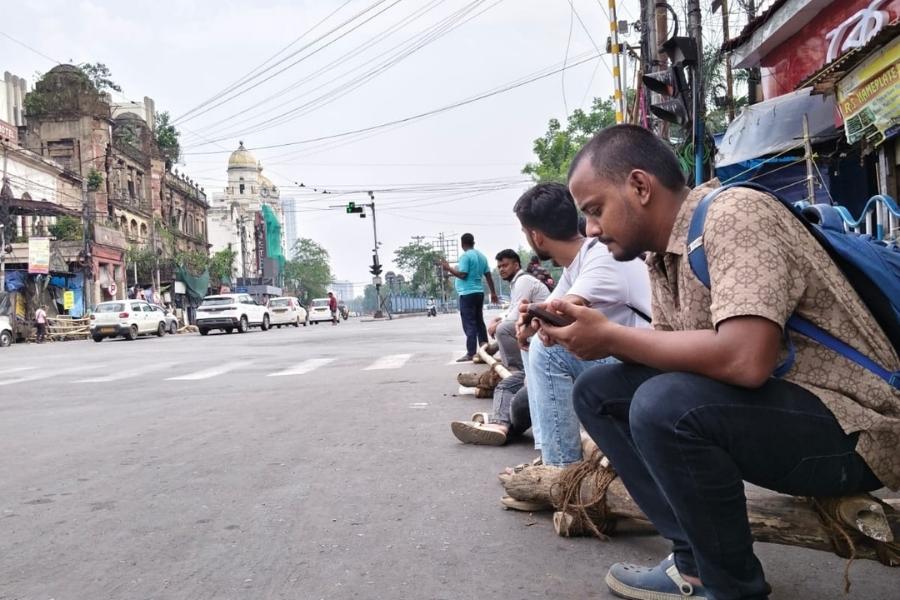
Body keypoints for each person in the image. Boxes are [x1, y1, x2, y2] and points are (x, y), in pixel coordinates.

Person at [540, 124, 897, 600]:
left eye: (594, 210)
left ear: (640, 186)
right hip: (795, 416)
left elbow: (746, 359)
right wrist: (588, 333)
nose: (590, 230)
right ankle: (693, 562)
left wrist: (611, 336)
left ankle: (731, 587)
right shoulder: (663, 257)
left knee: (663, 404)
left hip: (860, 432)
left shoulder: (735, 215)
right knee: (598, 392)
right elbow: (671, 356)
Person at [510, 182, 651, 473]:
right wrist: (529, 322)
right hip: (635, 359)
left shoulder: (601, 254)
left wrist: (535, 320)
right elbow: (550, 308)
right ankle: (551, 454)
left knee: (549, 352)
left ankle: (561, 469)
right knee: (539, 343)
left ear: (535, 236)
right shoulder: (576, 264)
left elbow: (560, 308)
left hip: (654, 364)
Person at [487, 249, 549, 371]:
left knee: (503, 329)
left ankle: (516, 370)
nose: (501, 269)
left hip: (543, 324)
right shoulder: (516, 282)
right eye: (499, 267)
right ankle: (512, 366)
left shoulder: (523, 280)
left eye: (505, 265)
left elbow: (516, 314)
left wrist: (497, 324)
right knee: (501, 325)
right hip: (533, 322)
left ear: (516, 265)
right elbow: (512, 308)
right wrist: (497, 319)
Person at [441, 233, 498, 362]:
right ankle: (485, 350)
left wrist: (448, 268)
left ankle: (471, 353)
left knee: (469, 323)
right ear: (473, 242)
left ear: (462, 244)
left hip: (467, 294)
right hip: (479, 293)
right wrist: (493, 293)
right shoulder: (482, 256)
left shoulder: (465, 256)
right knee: (479, 322)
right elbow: (488, 276)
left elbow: (463, 275)